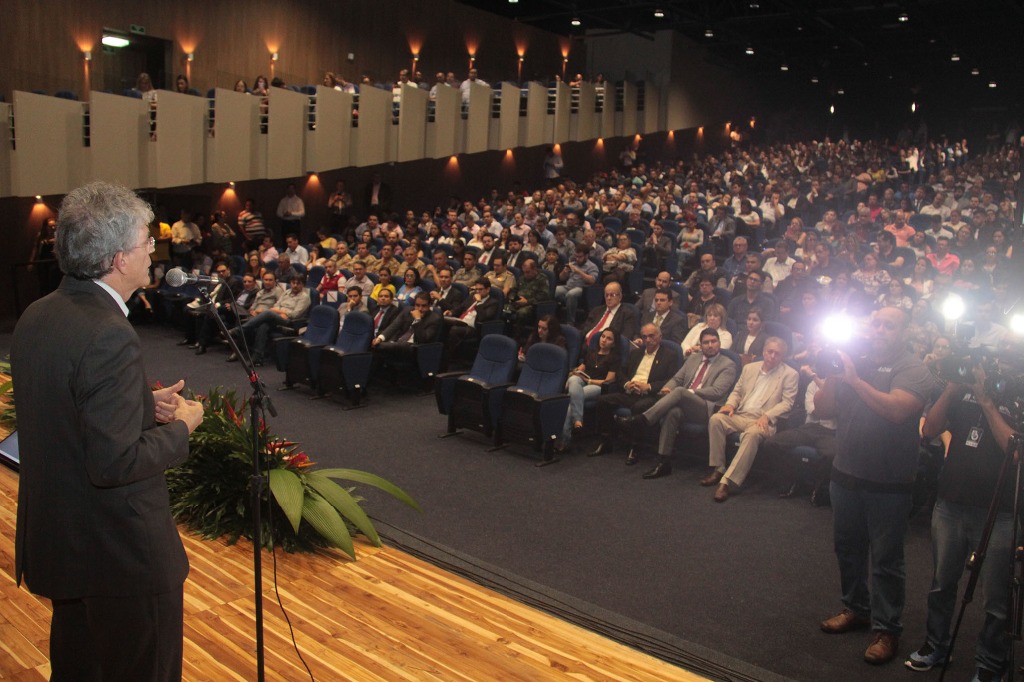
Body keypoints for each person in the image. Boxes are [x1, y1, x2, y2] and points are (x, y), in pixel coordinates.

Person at [11, 181, 205, 680]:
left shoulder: (38, 313)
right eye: (146, 241)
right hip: (121, 558)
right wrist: (182, 426)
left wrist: (140, 402)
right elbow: (113, 462)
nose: (152, 251)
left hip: (66, 545)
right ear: (119, 259)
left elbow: (65, 409)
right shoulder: (108, 334)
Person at [815, 306, 936, 665]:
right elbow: (823, 409)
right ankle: (856, 609)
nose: (880, 329)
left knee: (886, 559)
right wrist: (832, 375)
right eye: (876, 323)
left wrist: (854, 380)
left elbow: (898, 410)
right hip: (846, 474)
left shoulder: (914, 368)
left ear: (905, 330)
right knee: (848, 549)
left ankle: (887, 628)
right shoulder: (856, 361)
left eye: (889, 325)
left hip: (889, 482)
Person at [903, 363, 1019, 679]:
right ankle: (936, 645)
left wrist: (986, 402)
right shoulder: (962, 386)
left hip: (1000, 510)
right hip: (950, 501)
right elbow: (928, 429)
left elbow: (1016, 451)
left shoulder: (1017, 390)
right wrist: (953, 387)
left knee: (995, 597)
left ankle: (989, 664)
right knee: (941, 583)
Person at [616, 327, 737, 478]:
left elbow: (717, 392)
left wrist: (688, 392)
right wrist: (668, 388)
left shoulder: (728, 364)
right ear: (701, 344)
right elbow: (677, 379)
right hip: (684, 403)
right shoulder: (694, 358)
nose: (710, 345)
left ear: (719, 343)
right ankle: (664, 462)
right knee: (673, 412)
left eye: (714, 341)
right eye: (706, 342)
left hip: (706, 408)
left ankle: (643, 419)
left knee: (680, 391)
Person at [700, 337, 799, 502]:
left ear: (783, 357)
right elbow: (737, 392)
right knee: (716, 419)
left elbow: (787, 403)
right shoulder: (750, 368)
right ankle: (718, 468)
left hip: (763, 420)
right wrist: (730, 405)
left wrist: (767, 416)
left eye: (777, 354)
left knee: (752, 435)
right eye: (770, 351)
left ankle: (727, 482)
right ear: (763, 351)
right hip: (741, 414)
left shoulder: (790, 374)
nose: (772, 356)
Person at [589, 324, 681, 458]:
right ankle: (606, 441)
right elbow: (621, 372)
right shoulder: (635, 353)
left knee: (639, 406)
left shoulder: (669, 355)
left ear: (660, 337)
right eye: (644, 337)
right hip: (631, 392)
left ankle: (635, 446)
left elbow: (672, 380)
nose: (648, 340)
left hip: (651, 395)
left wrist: (648, 386)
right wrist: (627, 384)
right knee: (602, 400)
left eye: (651, 336)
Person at [558, 328, 619, 452]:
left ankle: (564, 440)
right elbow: (580, 369)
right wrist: (575, 373)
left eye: (609, 338)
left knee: (571, 400)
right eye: (603, 336)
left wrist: (589, 381)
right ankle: (578, 421)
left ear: (613, 343)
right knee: (574, 380)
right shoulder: (592, 353)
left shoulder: (614, 358)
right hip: (583, 383)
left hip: (597, 386)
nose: (604, 340)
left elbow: (608, 381)